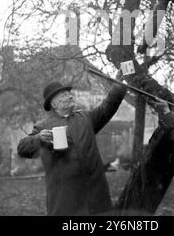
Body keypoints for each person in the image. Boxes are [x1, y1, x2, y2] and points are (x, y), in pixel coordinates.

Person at [17, 73, 126, 216]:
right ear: (54, 104)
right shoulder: (42, 126)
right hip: (66, 200)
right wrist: (38, 138)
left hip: (95, 195)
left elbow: (108, 107)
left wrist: (117, 86)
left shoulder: (86, 118)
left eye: (69, 93)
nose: (69, 96)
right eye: (63, 95)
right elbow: (22, 149)